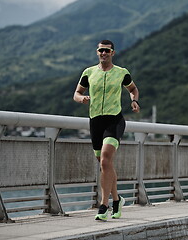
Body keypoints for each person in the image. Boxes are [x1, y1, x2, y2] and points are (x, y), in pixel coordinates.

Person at [73, 39, 140, 221]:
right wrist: (81, 99)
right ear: (97, 52)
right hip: (95, 122)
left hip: (114, 120)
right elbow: (76, 93)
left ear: (113, 53)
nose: (104, 53)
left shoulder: (121, 73)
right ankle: (117, 200)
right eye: (101, 50)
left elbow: (133, 89)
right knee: (105, 165)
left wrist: (134, 100)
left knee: (105, 159)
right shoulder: (88, 73)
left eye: (107, 51)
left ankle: (103, 205)